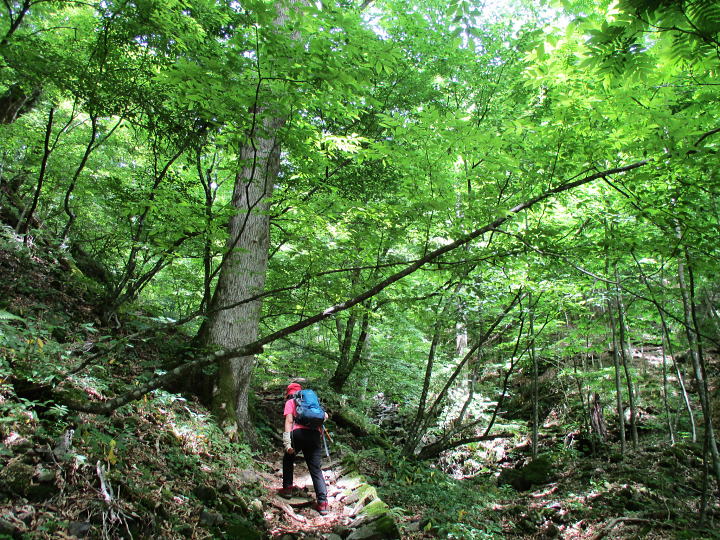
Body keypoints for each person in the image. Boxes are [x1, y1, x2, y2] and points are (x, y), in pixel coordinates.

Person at [279, 382, 329, 515]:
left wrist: (287, 443)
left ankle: (288, 488)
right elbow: (325, 416)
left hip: (298, 434)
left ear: (288, 392)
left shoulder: (291, 402)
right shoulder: (311, 402)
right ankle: (323, 502)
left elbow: (289, 421)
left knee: (288, 458)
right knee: (315, 469)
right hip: (314, 435)